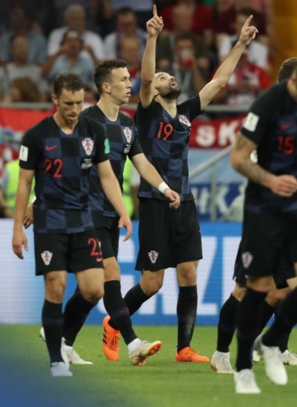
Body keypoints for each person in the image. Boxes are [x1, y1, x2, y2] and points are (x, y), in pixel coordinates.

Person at [121, 6, 257, 364]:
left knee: (188, 272)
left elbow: (219, 82)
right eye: (165, 75)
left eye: (169, 75)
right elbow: (147, 79)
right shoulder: (147, 111)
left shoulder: (185, 114)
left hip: (185, 202)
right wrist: (152, 38)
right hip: (152, 199)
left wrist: (240, 44)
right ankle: (113, 320)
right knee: (152, 283)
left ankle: (184, 348)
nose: (168, 78)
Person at [212, 58, 297, 377]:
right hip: (266, 210)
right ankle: (223, 352)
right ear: (292, 84)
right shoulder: (268, 107)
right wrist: (271, 180)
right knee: (250, 291)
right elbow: (238, 158)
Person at [11, 72, 134, 377]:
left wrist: (123, 212)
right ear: (55, 100)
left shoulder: (93, 131)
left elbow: (107, 175)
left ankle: (59, 336)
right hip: (50, 222)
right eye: (68, 103)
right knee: (56, 286)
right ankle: (56, 360)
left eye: (79, 102)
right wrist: (16, 229)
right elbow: (24, 184)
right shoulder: (37, 136)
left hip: (84, 221)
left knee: (94, 290)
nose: (74, 109)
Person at [82, 59, 182, 365]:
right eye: (124, 80)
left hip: (111, 213)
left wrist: (165, 189)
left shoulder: (126, 125)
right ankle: (133, 342)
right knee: (110, 274)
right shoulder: (86, 120)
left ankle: (62, 339)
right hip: (86, 210)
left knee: (93, 288)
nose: (130, 84)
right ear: (106, 87)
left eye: (129, 78)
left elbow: (141, 163)